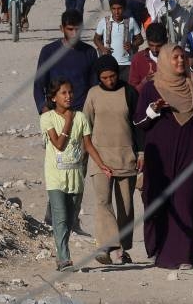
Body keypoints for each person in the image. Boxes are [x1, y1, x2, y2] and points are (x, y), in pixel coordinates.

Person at [134, 45, 193, 269]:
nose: (179, 61)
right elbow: (139, 122)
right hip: (160, 156)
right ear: (165, 60)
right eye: (175, 57)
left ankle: (184, 255)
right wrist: (153, 109)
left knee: (185, 201)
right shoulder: (151, 88)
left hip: (191, 152)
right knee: (158, 200)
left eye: (182, 57)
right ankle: (160, 248)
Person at [41, 78, 112, 272]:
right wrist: (68, 121)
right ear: (54, 97)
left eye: (70, 92)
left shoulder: (81, 117)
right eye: (63, 93)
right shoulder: (47, 118)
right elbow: (58, 144)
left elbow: (88, 145)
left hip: (75, 175)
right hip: (55, 176)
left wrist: (102, 165)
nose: (68, 96)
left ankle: (61, 254)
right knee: (61, 217)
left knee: (70, 219)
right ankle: (64, 258)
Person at [83, 55, 142, 265]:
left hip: (126, 157)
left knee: (125, 207)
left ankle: (122, 248)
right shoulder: (93, 94)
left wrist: (141, 153)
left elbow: (138, 126)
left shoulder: (129, 92)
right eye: (105, 78)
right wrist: (87, 156)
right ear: (99, 77)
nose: (109, 81)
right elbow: (85, 127)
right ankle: (106, 246)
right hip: (100, 157)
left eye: (112, 76)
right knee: (102, 202)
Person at [33, 10, 99, 114]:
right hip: (55, 112)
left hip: (82, 112)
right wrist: (44, 109)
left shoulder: (90, 52)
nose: (74, 34)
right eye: (70, 29)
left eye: (77, 29)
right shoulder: (48, 51)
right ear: (62, 28)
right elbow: (39, 85)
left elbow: (94, 85)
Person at [94, 0, 144, 85]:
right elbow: (96, 39)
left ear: (124, 8)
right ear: (110, 9)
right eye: (114, 9)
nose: (116, 12)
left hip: (127, 63)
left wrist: (132, 45)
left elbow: (140, 39)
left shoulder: (131, 21)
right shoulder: (104, 22)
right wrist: (102, 48)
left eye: (119, 8)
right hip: (109, 64)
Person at [128, 22, 168, 91]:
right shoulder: (138, 59)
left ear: (166, 41)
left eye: (159, 46)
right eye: (151, 45)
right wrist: (145, 81)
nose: (155, 50)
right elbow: (132, 91)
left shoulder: (174, 58)